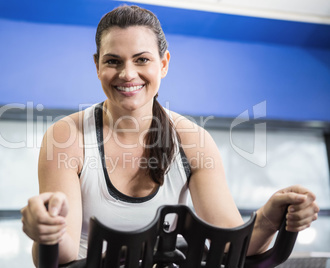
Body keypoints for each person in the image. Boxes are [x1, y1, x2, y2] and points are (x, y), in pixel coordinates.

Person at [21, 5, 320, 266]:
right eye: (113, 61)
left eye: (142, 60)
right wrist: (47, 232)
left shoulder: (193, 142)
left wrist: (268, 219)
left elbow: (228, 248)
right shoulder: (67, 136)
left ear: (163, 64)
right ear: (97, 65)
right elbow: (63, 255)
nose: (127, 73)